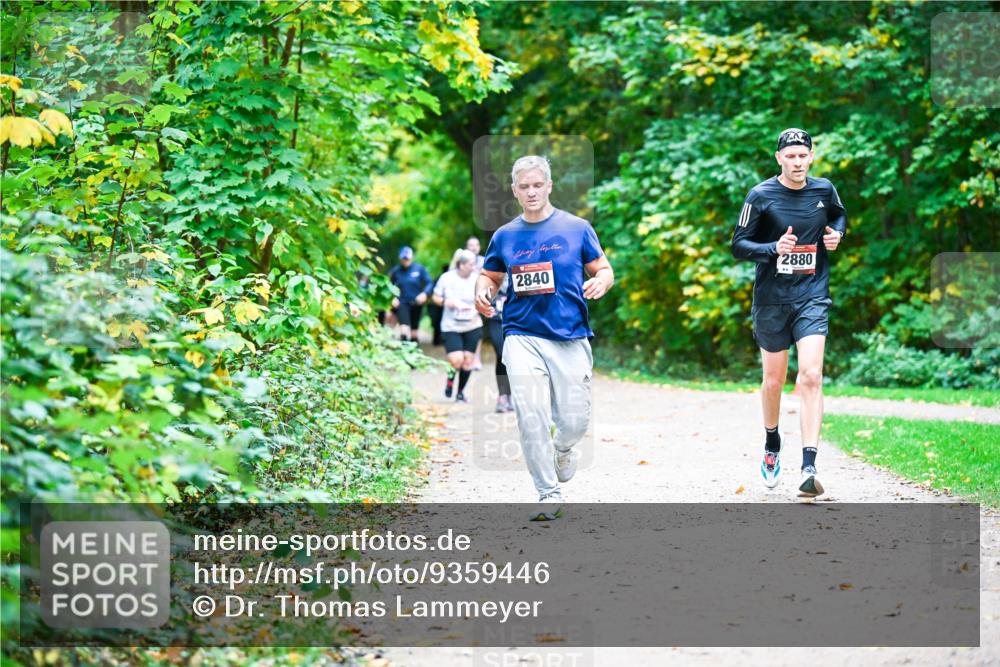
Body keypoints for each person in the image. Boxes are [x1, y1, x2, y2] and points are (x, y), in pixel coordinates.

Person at [475, 155, 614, 521]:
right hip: (521, 334)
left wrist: (601, 280)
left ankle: (563, 448)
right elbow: (489, 276)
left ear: (549, 186)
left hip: (569, 335)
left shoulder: (577, 227)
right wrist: (483, 291)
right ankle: (547, 493)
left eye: (538, 185)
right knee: (530, 413)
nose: (532, 192)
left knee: (574, 421)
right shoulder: (505, 235)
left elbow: (603, 268)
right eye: (525, 186)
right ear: (514, 191)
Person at [731, 128, 847, 498]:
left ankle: (809, 466)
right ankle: (771, 444)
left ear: (811, 156)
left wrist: (836, 235)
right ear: (779, 158)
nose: (797, 162)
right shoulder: (761, 195)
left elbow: (839, 216)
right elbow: (738, 245)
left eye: (803, 155)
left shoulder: (824, 190)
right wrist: (773, 248)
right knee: (774, 380)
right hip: (771, 299)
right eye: (790, 156)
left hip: (812, 295)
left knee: (811, 376)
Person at [433, 249, 483, 403]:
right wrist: (445, 302)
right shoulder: (446, 278)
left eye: (475, 264)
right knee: (456, 360)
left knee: (468, 361)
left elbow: (485, 296)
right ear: (461, 265)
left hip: (473, 324)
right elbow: (435, 297)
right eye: (470, 264)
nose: (474, 267)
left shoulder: (477, 279)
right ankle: (449, 382)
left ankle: (460, 392)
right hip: (451, 325)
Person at [389, 246, 432, 343]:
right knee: (404, 329)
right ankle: (403, 351)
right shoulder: (396, 271)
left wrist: (425, 294)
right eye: (404, 258)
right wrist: (393, 298)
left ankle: (414, 353)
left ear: (411, 257)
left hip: (416, 303)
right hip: (402, 303)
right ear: (400, 258)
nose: (406, 260)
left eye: (407, 258)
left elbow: (429, 283)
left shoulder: (419, 269)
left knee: (414, 332)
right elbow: (389, 286)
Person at [486, 274, 513, 413]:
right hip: (497, 320)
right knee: (502, 354)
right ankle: (502, 396)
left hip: (516, 321)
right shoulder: (493, 270)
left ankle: (510, 395)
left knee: (514, 358)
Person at [428, 263, 450, 347]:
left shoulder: (439, 277)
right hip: (437, 305)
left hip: (439, 304)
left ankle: (438, 340)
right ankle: (437, 340)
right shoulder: (442, 278)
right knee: (438, 322)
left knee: (438, 323)